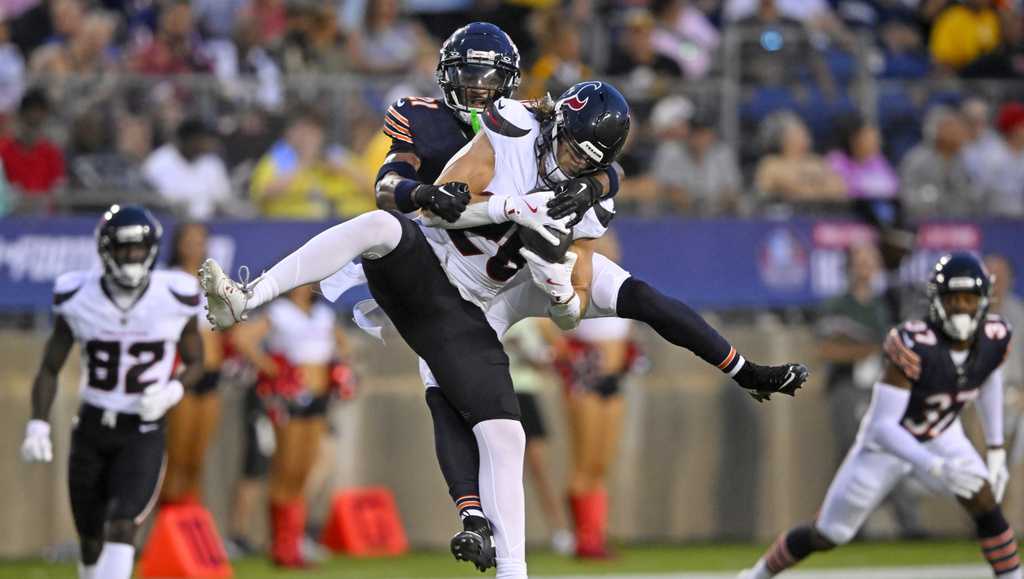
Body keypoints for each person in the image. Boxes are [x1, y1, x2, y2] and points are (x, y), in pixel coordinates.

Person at [202, 80, 808, 578]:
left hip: (506, 295)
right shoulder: (513, 127)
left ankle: (742, 369)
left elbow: (571, 309)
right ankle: (246, 296)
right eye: (566, 148)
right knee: (378, 228)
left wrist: (550, 272)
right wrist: (512, 210)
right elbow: (442, 198)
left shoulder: (594, 196)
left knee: (633, 304)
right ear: (556, 126)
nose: (566, 161)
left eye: (583, 163)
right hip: (439, 272)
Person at [361, 23, 805, 572]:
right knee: (442, 384)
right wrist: (428, 193)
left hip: (533, 267)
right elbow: (391, 186)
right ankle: (473, 517)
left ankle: (743, 369)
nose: (478, 93)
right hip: (458, 275)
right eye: (468, 79)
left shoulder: (557, 150)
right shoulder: (481, 122)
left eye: (488, 81)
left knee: (640, 295)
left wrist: (593, 191)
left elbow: (597, 186)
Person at [740, 253, 1019, 579]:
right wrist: (935, 466)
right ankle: (758, 573)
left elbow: (987, 378)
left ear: (984, 300)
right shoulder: (916, 342)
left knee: (984, 499)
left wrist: (996, 449)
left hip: (941, 432)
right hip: (885, 445)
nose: (961, 307)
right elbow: (885, 426)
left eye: (969, 299)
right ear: (937, 301)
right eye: (953, 298)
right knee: (830, 533)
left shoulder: (994, 337)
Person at [20, 205, 204, 579]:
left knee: (123, 523)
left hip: (143, 429)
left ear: (151, 249)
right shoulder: (77, 295)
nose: (132, 257)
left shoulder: (176, 294)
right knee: (90, 537)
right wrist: (37, 423)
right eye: (123, 249)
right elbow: (50, 366)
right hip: (92, 426)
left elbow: (196, 362)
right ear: (105, 250)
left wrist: (171, 390)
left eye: (138, 249)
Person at [230, 283, 353, 568]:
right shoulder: (280, 311)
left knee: (304, 470)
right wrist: (271, 367)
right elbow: (242, 339)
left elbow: (342, 344)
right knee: (286, 468)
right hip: (290, 397)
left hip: (319, 398)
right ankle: (281, 545)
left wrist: (340, 366)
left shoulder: (322, 313)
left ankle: (293, 541)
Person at [816, 242, 924, 539]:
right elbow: (826, 349)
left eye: (870, 260)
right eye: (861, 260)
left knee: (894, 451)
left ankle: (909, 524)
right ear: (849, 266)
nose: (866, 267)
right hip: (848, 387)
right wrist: (869, 348)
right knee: (852, 454)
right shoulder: (838, 305)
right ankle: (848, 526)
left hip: (881, 389)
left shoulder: (883, 304)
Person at [159, 223, 225, 506]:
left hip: (212, 372)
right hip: (184, 372)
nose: (195, 246)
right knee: (177, 455)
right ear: (178, 244)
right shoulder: (168, 279)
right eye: (189, 240)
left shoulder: (212, 280)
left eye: (201, 240)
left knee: (198, 457)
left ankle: (188, 523)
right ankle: (167, 523)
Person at [502, 318, 574, 556]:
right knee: (497, 470)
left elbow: (561, 354)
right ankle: (496, 533)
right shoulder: (488, 308)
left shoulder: (535, 318)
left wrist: (534, 354)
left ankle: (560, 531)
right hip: (496, 392)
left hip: (524, 394)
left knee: (539, 468)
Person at [142, 118, 232, 221]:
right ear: (188, 140)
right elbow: (150, 202)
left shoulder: (213, 163)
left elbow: (223, 201)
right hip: (168, 223)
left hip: (209, 225)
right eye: (201, 139)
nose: (206, 143)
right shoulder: (157, 162)